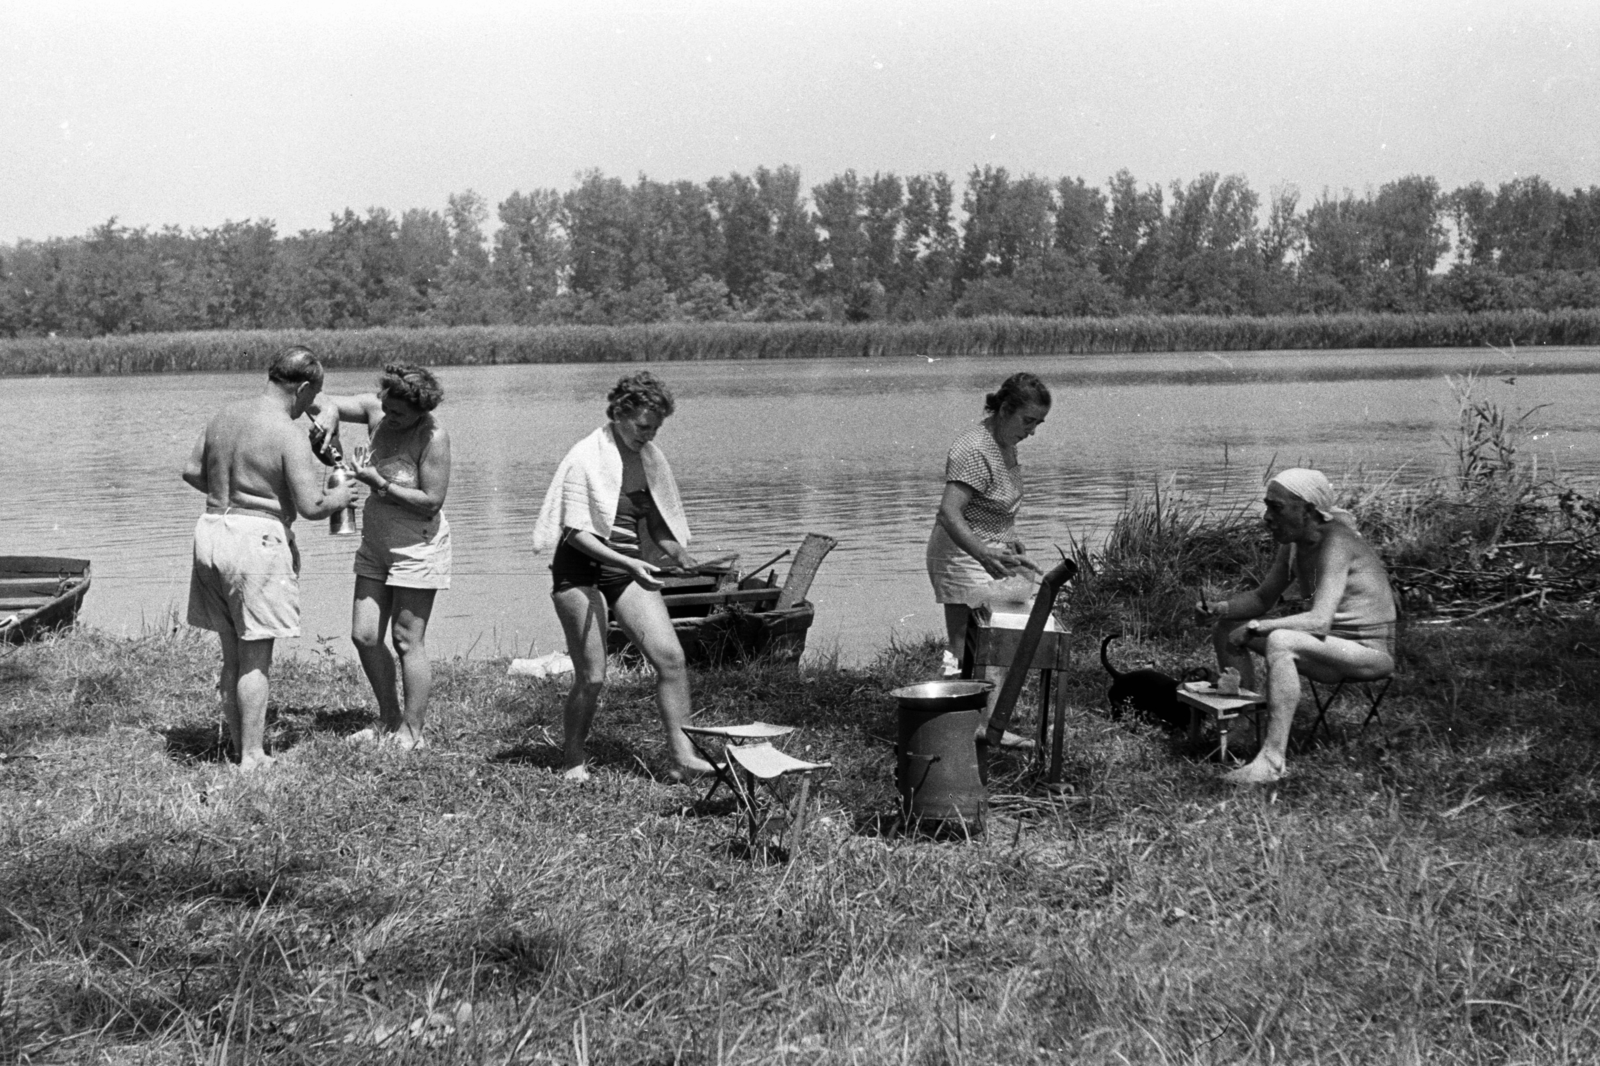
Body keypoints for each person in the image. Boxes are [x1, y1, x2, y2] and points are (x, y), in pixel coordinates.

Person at [532, 371, 715, 783]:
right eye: (643, 426)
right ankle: (573, 760)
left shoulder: (649, 458)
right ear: (618, 413)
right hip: (580, 569)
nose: (649, 436)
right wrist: (630, 563)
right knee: (593, 675)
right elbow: (574, 533)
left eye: (656, 428)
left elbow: (656, 522)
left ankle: (681, 758)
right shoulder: (585, 455)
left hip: (624, 568)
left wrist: (679, 554)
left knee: (671, 659)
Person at [181, 346, 355, 772]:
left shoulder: (224, 415)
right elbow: (313, 506)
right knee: (256, 653)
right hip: (255, 540)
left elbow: (191, 471)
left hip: (211, 529)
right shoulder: (285, 431)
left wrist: (235, 488)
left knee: (231, 652)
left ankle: (242, 748)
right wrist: (343, 495)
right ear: (303, 387)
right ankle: (254, 757)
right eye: (313, 394)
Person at [1196, 468, 1397, 785]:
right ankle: (1242, 728)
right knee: (1226, 625)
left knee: (1281, 641)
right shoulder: (1294, 544)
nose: (1266, 517)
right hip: (1328, 649)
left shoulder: (1337, 545)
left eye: (1276, 508)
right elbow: (1263, 597)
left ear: (1309, 510)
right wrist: (1220, 608)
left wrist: (1257, 627)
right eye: (1267, 506)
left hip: (1366, 654)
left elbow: (1319, 621)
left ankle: (1272, 762)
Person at [312, 364, 452, 751]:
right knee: (365, 635)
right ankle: (388, 718)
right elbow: (318, 399)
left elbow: (431, 502)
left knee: (407, 640)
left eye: (399, 414)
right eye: (386, 408)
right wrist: (330, 414)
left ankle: (413, 731)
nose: (389, 417)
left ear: (420, 411)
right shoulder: (378, 411)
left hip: (417, 547)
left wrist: (380, 484)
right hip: (375, 546)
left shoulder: (433, 437)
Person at [924, 372, 1051, 747]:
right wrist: (982, 552)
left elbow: (991, 507)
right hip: (960, 555)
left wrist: (1009, 542)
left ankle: (981, 722)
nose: (1032, 431)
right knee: (970, 644)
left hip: (988, 550)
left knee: (994, 640)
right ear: (1005, 409)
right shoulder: (975, 448)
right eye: (1028, 421)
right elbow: (950, 512)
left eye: (1038, 424)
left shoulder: (1004, 442)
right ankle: (968, 729)